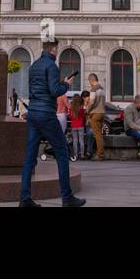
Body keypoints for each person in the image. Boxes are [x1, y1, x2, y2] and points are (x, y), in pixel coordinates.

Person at [19, 39, 85, 207]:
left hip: (33, 113)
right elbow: (55, 91)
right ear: (54, 49)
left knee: (29, 158)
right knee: (62, 153)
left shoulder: (34, 66)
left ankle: (25, 199)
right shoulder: (52, 66)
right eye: (57, 48)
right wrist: (66, 85)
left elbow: (37, 89)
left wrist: (59, 83)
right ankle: (67, 197)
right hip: (47, 114)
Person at [86, 73, 107, 161]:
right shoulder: (102, 89)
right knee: (99, 135)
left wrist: (87, 110)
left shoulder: (94, 89)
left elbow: (91, 102)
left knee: (97, 135)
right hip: (102, 113)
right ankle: (100, 153)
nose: (90, 83)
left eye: (89, 81)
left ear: (91, 80)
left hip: (96, 113)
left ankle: (100, 154)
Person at [67, 94, 87, 162]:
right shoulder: (81, 108)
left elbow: (69, 117)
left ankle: (75, 155)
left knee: (75, 141)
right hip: (81, 126)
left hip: (74, 126)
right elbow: (84, 116)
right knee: (81, 141)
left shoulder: (71, 108)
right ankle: (82, 155)